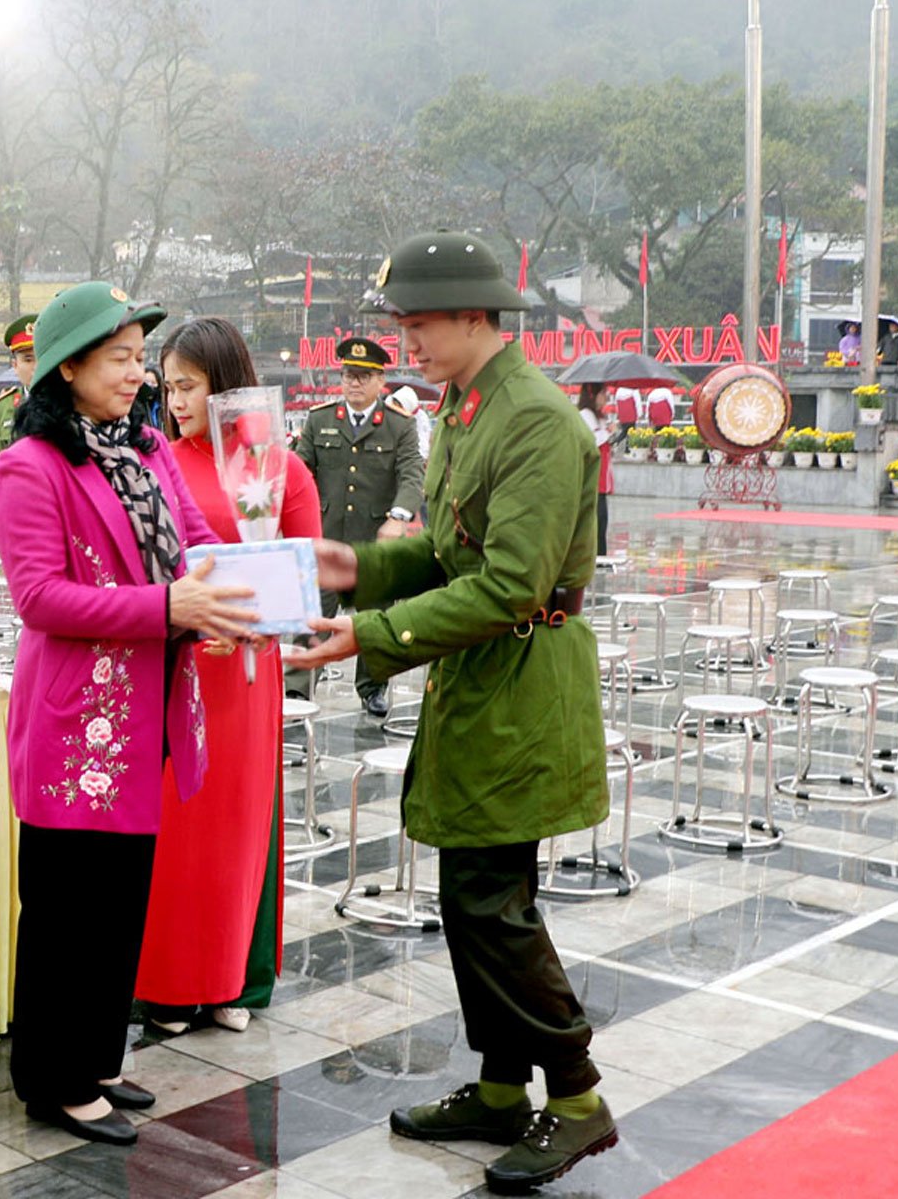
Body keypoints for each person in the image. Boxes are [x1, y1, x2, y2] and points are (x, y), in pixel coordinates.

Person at [297, 231, 615, 1195]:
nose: (407, 341)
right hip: (478, 684)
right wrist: (354, 566)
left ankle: (575, 1099)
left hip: (520, 684)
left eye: (419, 323)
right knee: (469, 895)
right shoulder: (468, 407)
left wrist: (372, 633)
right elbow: (448, 554)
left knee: (493, 902)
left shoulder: (536, 421)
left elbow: (513, 585)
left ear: (475, 316)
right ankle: (497, 1087)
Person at [0, 280, 257, 1149]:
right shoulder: (29, 465)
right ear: (67, 367)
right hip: (78, 727)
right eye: (121, 360)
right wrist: (166, 610)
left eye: (142, 359)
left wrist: (233, 583)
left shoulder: (144, 452)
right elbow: (40, 597)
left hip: (145, 715)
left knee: (117, 903)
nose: (139, 376)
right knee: (67, 908)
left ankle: (98, 1057)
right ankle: (54, 1080)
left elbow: (194, 542)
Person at [136, 316, 322, 1035]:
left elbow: (308, 566)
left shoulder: (276, 465)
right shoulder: (155, 457)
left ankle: (231, 981)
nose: (175, 399)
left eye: (188, 384)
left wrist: (265, 618)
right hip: (180, 663)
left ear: (225, 381)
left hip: (245, 670)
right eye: (168, 385)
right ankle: (167, 983)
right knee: (178, 825)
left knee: (238, 826)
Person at [294, 336, 424, 716]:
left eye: (364, 377)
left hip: (374, 539)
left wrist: (399, 517)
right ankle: (299, 688)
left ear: (380, 382)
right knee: (313, 612)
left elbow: (412, 474)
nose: (354, 383)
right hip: (328, 534)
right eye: (349, 375)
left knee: (374, 617)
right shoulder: (320, 420)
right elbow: (301, 470)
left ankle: (372, 687)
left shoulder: (398, 426)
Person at [577, 383, 616, 558]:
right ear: (593, 395)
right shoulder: (585, 415)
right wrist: (608, 432)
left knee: (602, 522)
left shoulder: (599, 417)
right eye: (603, 393)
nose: (606, 398)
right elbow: (591, 441)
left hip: (602, 480)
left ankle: (601, 556)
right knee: (596, 521)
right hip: (592, 480)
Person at [0, 313, 37, 445]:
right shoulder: (2, 407)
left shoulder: (71, 402)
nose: (36, 366)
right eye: (28, 359)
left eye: (41, 357)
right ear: (15, 366)